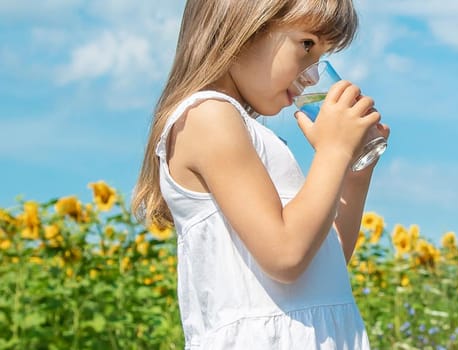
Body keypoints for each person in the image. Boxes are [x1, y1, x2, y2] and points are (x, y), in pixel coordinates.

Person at [130, 0, 387, 348]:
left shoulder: (249, 133)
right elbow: (286, 255)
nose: (311, 76)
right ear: (246, 26)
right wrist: (333, 151)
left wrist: (354, 173)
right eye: (307, 45)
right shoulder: (209, 117)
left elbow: (323, 258)